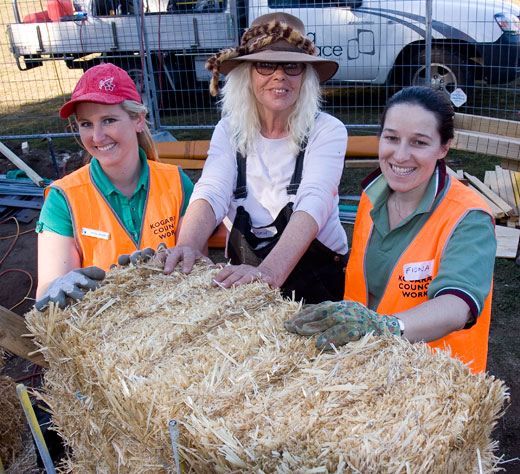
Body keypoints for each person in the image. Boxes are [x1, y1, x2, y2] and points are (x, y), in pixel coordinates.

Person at [284, 86, 496, 374]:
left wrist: (388, 327)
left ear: (444, 147)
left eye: (419, 143)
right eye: (392, 138)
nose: (400, 155)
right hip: (371, 366)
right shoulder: (372, 198)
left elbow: (458, 305)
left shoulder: (468, 217)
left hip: (436, 381)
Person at [162, 12, 349, 303]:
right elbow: (212, 189)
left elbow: (315, 200)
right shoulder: (228, 131)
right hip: (245, 285)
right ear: (246, 74)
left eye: (292, 66)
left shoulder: (327, 131)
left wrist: (267, 274)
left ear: (306, 76)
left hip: (319, 285)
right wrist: (187, 246)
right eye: (265, 65)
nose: (279, 76)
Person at [35, 62, 194, 310]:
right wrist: (58, 287)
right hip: (103, 331)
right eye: (86, 124)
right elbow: (47, 290)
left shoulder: (176, 182)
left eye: (108, 120)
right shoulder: (63, 198)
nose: (97, 137)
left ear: (139, 120)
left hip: (174, 319)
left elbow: (194, 267)